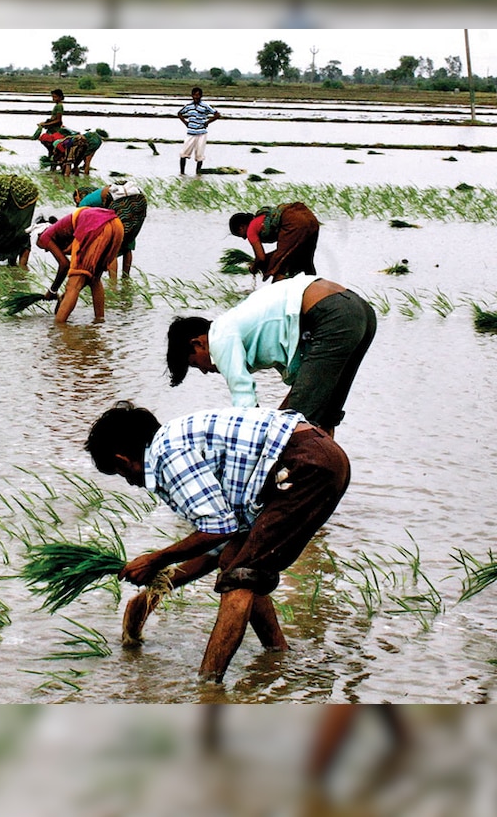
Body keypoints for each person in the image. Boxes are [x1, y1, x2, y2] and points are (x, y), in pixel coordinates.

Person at [86, 401, 350, 683]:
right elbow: (219, 546)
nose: (129, 482)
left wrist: (155, 559)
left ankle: (208, 686)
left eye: (121, 474)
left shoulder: (168, 456)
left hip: (306, 464)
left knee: (240, 576)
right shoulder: (173, 444)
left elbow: (217, 530)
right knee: (235, 559)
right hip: (315, 456)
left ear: (122, 460)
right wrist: (155, 592)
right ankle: (277, 655)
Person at [166, 274, 377, 435]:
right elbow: (303, 387)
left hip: (334, 314)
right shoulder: (247, 327)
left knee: (293, 429)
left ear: (198, 343)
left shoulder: (219, 337)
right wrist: (278, 417)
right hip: (360, 312)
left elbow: (245, 404)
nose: (204, 371)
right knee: (324, 416)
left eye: (196, 364)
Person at [35, 205, 123, 323]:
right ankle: (99, 322)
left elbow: (64, 265)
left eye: (44, 248)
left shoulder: (44, 236)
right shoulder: (68, 231)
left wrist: (52, 291)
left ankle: (58, 328)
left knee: (73, 286)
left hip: (96, 225)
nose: (46, 249)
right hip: (116, 225)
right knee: (95, 279)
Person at [229, 202, 321, 282]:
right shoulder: (260, 219)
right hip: (310, 218)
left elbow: (261, 258)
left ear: (241, 227)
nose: (244, 238)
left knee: (280, 267)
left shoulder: (250, 230)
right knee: (306, 263)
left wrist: (254, 267)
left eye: (240, 235)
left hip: (294, 222)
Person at [74, 182, 148, 280]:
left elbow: (85, 228)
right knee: (127, 242)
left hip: (123, 203)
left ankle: (113, 284)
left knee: (112, 246)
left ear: (77, 198)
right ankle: (125, 279)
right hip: (140, 201)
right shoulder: (100, 194)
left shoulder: (83, 204)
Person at [177, 86, 220, 175]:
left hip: (201, 133)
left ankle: (198, 174)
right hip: (191, 133)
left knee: (199, 155)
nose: (196, 97)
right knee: (183, 153)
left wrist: (207, 122)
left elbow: (217, 114)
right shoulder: (188, 106)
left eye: (198, 95)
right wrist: (185, 122)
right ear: (192, 95)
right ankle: (182, 173)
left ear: (201, 96)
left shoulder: (205, 106)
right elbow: (180, 113)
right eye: (195, 95)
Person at [36, 88, 72, 155]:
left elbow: (58, 120)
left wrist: (46, 124)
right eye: (52, 97)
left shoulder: (59, 106)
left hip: (55, 129)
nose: (53, 98)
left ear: (60, 97)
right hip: (52, 128)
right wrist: (45, 123)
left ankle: (54, 154)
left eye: (55, 97)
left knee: (46, 140)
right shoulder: (57, 105)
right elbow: (54, 118)